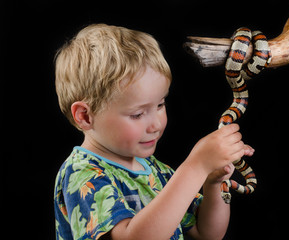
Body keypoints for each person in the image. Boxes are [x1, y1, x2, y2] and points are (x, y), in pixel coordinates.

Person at [54, 23, 254, 240]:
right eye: (138, 114)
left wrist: (213, 183)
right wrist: (196, 167)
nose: (156, 124)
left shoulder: (156, 170)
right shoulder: (82, 174)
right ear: (85, 116)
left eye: (160, 105)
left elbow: (207, 233)